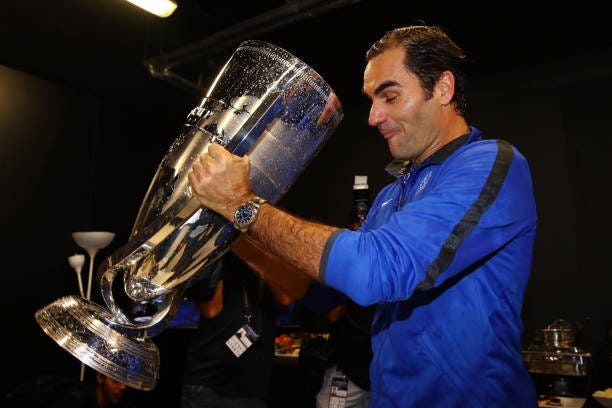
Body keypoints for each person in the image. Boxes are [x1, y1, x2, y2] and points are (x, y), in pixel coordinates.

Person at [188, 24, 538, 407]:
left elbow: (377, 269)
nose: (373, 117)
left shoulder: (490, 163)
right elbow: (327, 296)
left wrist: (243, 205)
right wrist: (232, 226)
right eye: (372, 100)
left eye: (389, 96)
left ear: (442, 88)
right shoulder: (392, 195)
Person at [180, 251, 294, 408]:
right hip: (209, 384)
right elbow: (211, 309)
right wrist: (229, 246)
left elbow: (285, 297)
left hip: (254, 386)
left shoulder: (267, 254)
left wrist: (258, 251)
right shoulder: (217, 251)